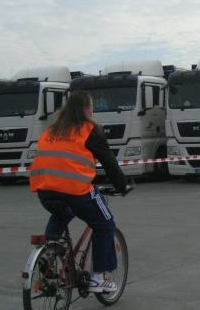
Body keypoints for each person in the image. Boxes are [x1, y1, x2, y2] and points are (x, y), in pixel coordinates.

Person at [29, 90, 130, 294]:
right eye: (91, 107)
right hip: (75, 191)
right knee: (105, 224)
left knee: (63, 213)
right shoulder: (89, 130)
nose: (92, 112)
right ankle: (98, 278)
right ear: (85, 109)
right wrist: (122, 186)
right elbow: (109, 162)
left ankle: (49, 253)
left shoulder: (52, 130)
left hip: (45, 190)